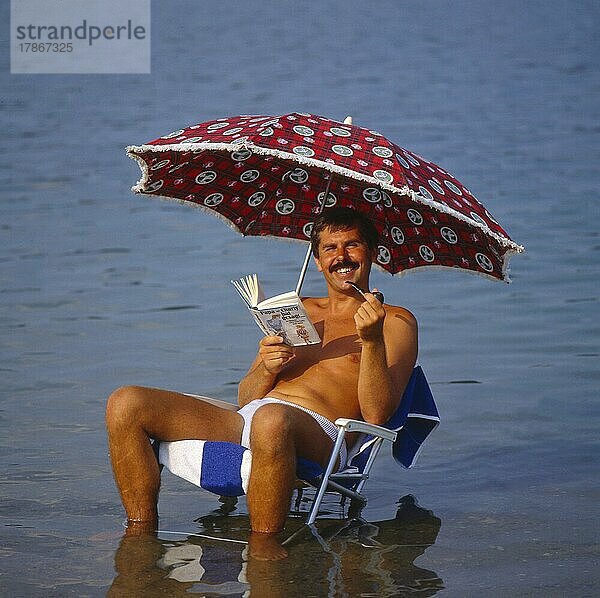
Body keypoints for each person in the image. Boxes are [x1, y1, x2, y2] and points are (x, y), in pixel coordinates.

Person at [105, 207, 418, 560]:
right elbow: (246, 397)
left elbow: (377, 415)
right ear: (316, 260)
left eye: (352, 245)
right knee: (126, 402)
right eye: (330, 248)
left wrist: (372, 341)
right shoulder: (296, 308)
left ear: (372, 253)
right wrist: (267, 368)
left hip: (322, 432)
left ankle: (264, 548)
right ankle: (139, 531)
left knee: (271, 418)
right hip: (253, 418)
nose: (341, 257)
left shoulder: (395, 321)